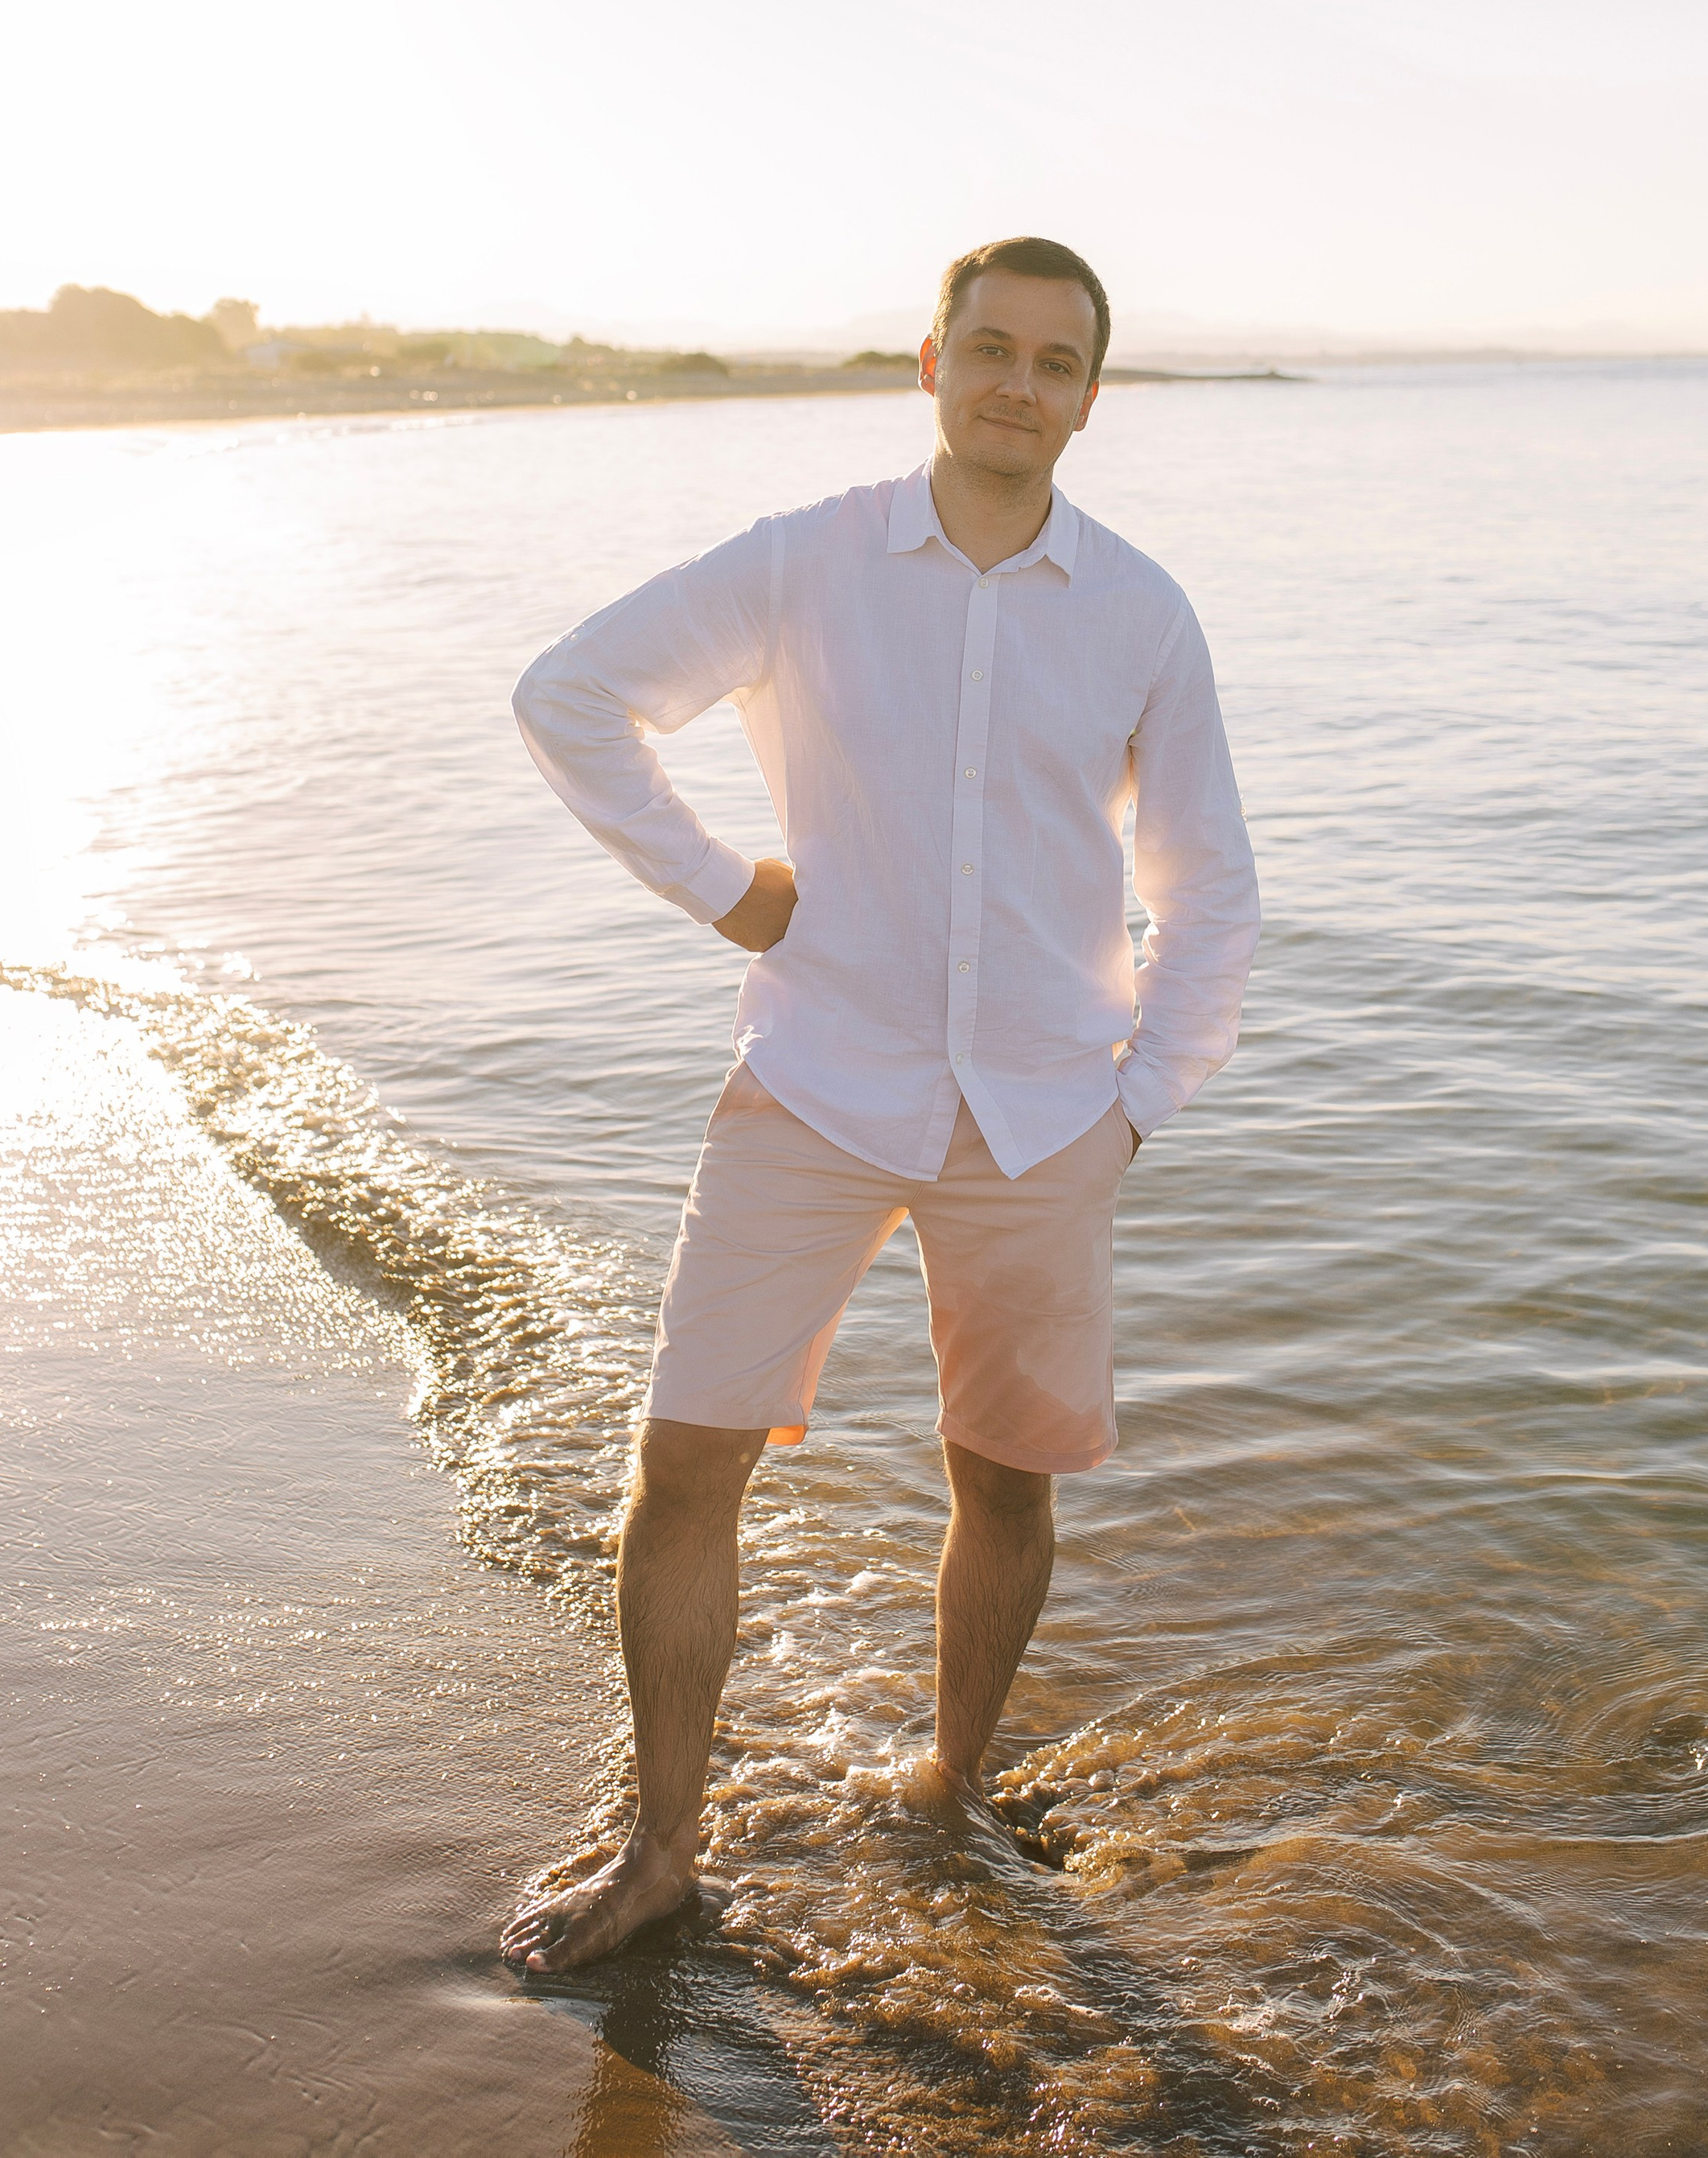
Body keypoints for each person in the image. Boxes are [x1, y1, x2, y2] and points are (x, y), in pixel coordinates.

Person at [497, 233, 1259, 1974]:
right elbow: (569, 697)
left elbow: (1205, 886)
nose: (1015, 383)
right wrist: (721, 887)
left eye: (1052, 361)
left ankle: (950, 1788)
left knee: (1003, 1483)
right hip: (815, 1082)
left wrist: (1137, 1104)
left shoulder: (1141, 610)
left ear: (1086, 395)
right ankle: (663, 1846)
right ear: (928, 363)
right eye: (986, 347)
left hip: (1049, 1116)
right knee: (683, 1462)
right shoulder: (803, 563)